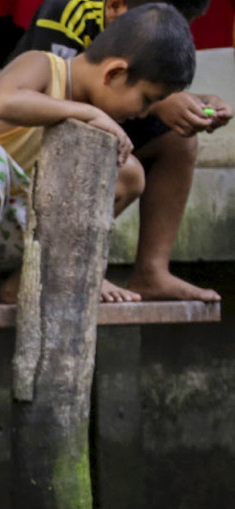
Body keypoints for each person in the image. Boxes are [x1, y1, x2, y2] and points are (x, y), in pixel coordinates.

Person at [0, 3, 200, 306]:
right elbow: (3, 102)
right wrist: (83, 111)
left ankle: (29, 280)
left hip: (10, 230)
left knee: (128, 174)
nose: (144, 113)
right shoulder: (42, 66)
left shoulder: (96, 114)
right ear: (114, 73)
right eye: (147, 100)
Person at [12, 0, 228, 302]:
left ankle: (152, 272)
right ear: (115, 6)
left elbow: (125, 95)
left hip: (98, 125)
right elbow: (49, 97)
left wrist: (191, 105)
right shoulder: (68, 14)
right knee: (126, 170)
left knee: (178, 140)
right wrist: (159, 103)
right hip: (30, 141)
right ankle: (57, 268)